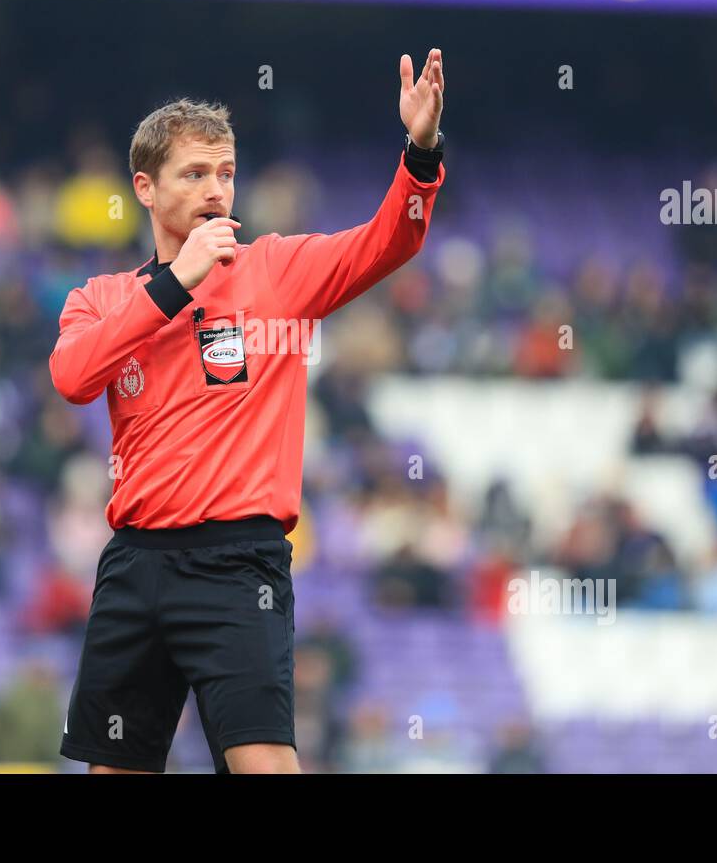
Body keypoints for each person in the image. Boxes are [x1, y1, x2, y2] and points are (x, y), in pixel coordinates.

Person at [51, 50, 446, 774]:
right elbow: (73, 376)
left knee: (264, 764)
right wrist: (177, 282)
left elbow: (392, 240)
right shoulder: (100, 297)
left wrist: (420, 153)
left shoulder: (276, 272)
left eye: (226, 173)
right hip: (136, 563)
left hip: (239, 566)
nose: (215, 189)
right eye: (194, 174)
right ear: (144, 187)